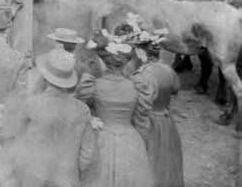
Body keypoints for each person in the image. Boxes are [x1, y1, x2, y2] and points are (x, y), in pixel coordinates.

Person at [10, 49, 99, 187]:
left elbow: (17, 141)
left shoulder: (31, 104)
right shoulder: (82, 110)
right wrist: (78, 174)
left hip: (35, 177)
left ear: (45, 77)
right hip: (66, 178)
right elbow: (87, 154)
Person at [76, 32, 155, 187]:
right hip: (130, 140)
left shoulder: (93, 85)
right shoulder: (137, 86)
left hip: (101, 137)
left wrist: (91, 118)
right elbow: (141, 121)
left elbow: (79, 110)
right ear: (125, 63)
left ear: (104, 61)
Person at [133, 36, 184, 187]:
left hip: (148, 123)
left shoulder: (141, 75)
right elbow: (175, 89)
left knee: (150, 161)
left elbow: (137, 101)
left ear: (141, 53)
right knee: (167, 160)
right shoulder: (169, 70)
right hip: (167, 121)